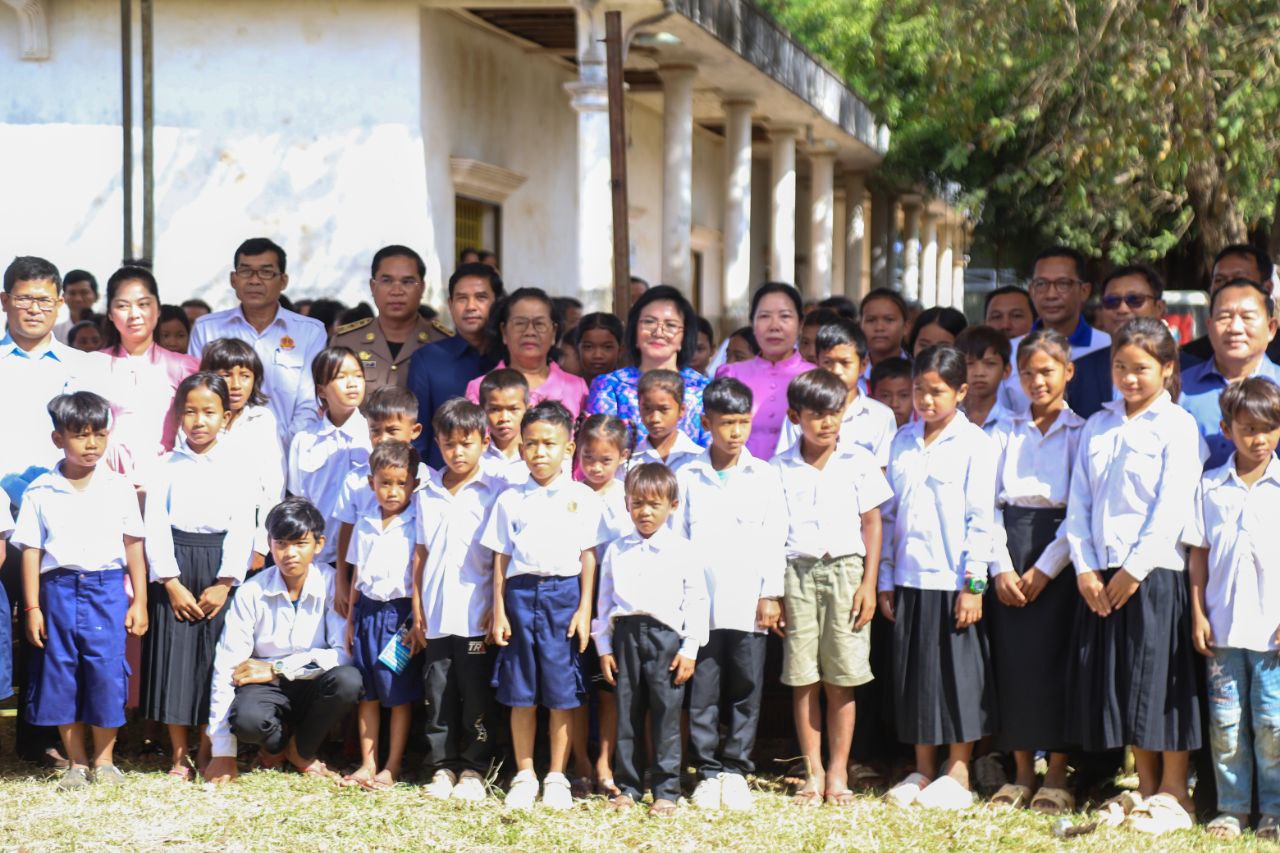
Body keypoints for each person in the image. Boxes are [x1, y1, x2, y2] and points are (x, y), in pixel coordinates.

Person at [1064, 318, 1207, 834]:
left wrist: (1134, 569)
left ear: (1167, 369)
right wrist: (1084, 567)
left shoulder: (1177, 426)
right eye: (1120, 366)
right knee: (1127, 681)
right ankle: (1145, 789)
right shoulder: (1098, 425)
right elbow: (1079, 501)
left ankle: (1175, 791)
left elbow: (1172, 505)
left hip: (1154, 571)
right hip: (1102, 575)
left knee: (1161, 680)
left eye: (1141, 368)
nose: (1128, 377)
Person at [880, 346, 998, 810]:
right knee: (915, 676)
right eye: (919, 390)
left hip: (953, 580)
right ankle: (922, 769)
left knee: (958, 677)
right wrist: (886, 578)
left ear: (961, 392)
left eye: (938, 391)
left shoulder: (976, 444)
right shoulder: (902, 441)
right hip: (909, 577)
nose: (926, 401)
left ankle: (959, 770)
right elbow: (889, 515)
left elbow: (981, 520)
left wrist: (974, 585)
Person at [13, 391, 149, 789]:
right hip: (57, 590)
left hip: (106, 590)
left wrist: (139, 600)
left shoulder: (119, 487)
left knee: (106, 671)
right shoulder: (40, 491)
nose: (92, 444)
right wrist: (33, 608)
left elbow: (134, 546)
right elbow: (31, 552)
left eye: (99, 434)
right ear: (58, 439)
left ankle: (104, 761)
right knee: (61, 672)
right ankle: (76, 762)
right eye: (80, 435)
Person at [773, 369, 891, 808]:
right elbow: (773, 533)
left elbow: (872, 523)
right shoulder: (778, 468)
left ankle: (839, 769)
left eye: (834, 413)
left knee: (842, 677)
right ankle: (813, 771)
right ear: (795, 417)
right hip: (797, 573)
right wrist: (775, 593)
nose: (827, 423)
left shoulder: (858, 460)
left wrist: (869, 584)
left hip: (846, 572)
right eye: (816, 415)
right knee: (803, 678)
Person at [481, 401, 604, 810]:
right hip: (519, 596)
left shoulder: (582, 497)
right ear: (520, 449)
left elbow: (588, 557)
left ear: (569, 448)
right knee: (521, 690)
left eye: (549, 444)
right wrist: (499, 609)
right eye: (531, 444)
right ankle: (524, 773)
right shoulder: (510, 499)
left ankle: (555, 775)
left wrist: (584, 610)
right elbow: (501, 558)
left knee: (561, 691)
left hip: (563, 597)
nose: (539, 452)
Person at [985, 330, 1084, 815]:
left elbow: (1080, 508)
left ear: (1069, 371)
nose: (1037, 381)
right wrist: (1001, 566)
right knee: (1014, 661)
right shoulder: (1002, 430)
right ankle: (1023, 770)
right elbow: (984, 505)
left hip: (1060, 551)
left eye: (1047, 371)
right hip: (1010, 543)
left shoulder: (1081, 432)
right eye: (1027, 373)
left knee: (1058, 660)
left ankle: (1059, 771)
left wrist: (1046, 567)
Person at [678, 377, 786, 812]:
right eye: (726, 423)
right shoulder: (687, 474)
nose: (736, 432)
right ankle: (706, 770)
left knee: (746, 687)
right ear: (707, 423)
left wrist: (771, 593)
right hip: (700, 605)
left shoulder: (765, 475)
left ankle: (736, 769)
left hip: (748, 602)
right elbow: (678, 537)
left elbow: (775, 537)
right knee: (703, 690)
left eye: (743, 422)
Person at [141, 373, 255, 779]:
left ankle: (210, 745)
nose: (199, 421)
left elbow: (244, 525)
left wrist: (225, 583)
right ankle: (178, 754)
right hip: (175, 565)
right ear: (179, 416)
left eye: (209, 412)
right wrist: (170, 582)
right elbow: (155, 524)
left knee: (214, 658)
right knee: (175, 657)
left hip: (219, 567)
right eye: (190, 412)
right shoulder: (165, 467)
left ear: (227, 417)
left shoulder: (239, 465)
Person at [202, 498, 363, 784]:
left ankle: (300, 750)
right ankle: (276, 747)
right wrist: (223, 752)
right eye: (281, 544)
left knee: (348, 681)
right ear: (270, 544)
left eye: (300, 544)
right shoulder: (252, 591)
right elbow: (226, 667)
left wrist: (278, 668)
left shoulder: (330, 583)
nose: (290, 554)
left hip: (313, 682)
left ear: (319, 544)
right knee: (248, 720)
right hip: (267, 687)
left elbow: (344, 655)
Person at [1185, 378, 1280, 842]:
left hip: (1271, 634)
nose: (1259, 439)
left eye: (1268, 428)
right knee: (1226, 725)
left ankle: (1273, 811)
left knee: (1272, 725)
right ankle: (1232, 808)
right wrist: (1198, 614)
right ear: (1226, 430)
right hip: (1222, 630)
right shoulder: (1210, 486)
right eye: (1248, 429)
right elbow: (1198, 555)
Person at [594, 463, 709, 817]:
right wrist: (604, 647)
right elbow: (604, 601)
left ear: (672, 506)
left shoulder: (683, 550)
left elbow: (697, 601)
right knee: (627, 713)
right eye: (637, 504)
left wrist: (690, 648)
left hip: (666, 639)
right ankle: (628, 787)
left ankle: (666, 791)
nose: (645, 512)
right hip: (626, 636)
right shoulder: (617, 550)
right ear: (627, 504)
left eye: (654, 505)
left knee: (666, 715)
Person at [413, 399, 502, 802]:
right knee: (438, 694)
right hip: (435, 614)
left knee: (476, 696)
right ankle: (441, 766)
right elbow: (420, 553)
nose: (458, 452)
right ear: (438, 443)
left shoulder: (493, 491)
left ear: (484, 442)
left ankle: (474, 767)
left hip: (475, 613)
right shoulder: (427, 491)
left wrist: (496, 605)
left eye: (467, 443)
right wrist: (418, 608)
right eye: (449, 444)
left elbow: (499, 556)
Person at [187, 238, 328, 448]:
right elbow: (198, 395)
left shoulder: (310, 332)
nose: (254, 280)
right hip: (219, 451)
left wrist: (281, 450)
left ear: (283, 281)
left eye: (266, 272)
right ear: (233, 279)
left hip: (290, 450)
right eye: (246, 271)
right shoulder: (206, 328)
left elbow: (309, 403)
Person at [343, 440, 424, 791]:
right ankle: (368, 762)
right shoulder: (364, 522)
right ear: (371, 482)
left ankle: (392, 764)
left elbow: (418, 575)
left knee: (397, 691)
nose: (393, 491)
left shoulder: (416, 522)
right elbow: (357, 574)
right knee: (369, 692)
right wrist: (351, 619)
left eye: (401, 483)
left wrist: (417, 620)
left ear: (414, 484)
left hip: (399, 614)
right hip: (367, 613)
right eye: (385, 483)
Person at [82, 266, 199, 487]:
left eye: (143, 304)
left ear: (158, 309)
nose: (134, 314)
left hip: (169, 482)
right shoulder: (92, 366)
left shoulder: (185, 367)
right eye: (122, 306)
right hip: (105, 483)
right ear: (110, 313)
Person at [569, 415, 632, 797]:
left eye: (605, 460)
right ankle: (579, 761)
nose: (594, 467)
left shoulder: (628, 498)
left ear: (623, 456)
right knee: (577, 686)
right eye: (588, 457)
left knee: (609, 687)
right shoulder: (570, 494)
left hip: (615, 607)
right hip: (575, 603)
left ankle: (606, 763)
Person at [0, 257, 93, 496]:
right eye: (24, 299)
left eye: (44, 301)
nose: (34, 309)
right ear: (4, 301)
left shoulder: (84, 367)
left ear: (59, 303)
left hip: (64, 500)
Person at [331, 385, 426, 618]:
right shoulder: (356, 480)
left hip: (409, 593)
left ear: (414, 430)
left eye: (392, 430)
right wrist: (341, 581)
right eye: (375, 430)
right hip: (368, 593)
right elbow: (347, 532)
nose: (383, 439)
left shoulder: (427, 481)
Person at [588, 285, 711, 446]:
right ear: (634, 330)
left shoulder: (703, 389)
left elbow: (714, 451)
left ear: (685, 336)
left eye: (670, 325)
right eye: (649, 322)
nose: (658, 332)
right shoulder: (609, 386)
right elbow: (598, 450)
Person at [407, 263, 502, 468]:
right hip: (444, 480)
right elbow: (418, 437)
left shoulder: (510, 358)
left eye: (481, 297)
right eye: (462, 298)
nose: (471, 306)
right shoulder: (428, 360)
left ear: (497, 302)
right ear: (450, 305)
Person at [1179, 279, 1280, 469]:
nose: (1235, 328)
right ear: (1209, 327)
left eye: (1247, 317)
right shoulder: (1178, 389)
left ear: (1271, 328)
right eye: (1224, 317)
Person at [199, 339, 284, 562]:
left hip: (249, 531)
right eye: (226, 375)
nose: (236, 384)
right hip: (204, 533)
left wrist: (260, 545)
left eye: (245, 375)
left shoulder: (262, 419)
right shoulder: (198, 419)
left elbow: (272, 488)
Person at [286, 347, 370, 567]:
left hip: (362, 560)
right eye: (341, 377)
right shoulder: (304, 440)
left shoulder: (372, 438)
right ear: (321, 390)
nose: (352, 384)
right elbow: (297, 502)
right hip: (316, 558)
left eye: (358, 375)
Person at [1000, 246, 1111, 412]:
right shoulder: (1009, 352)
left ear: (1084, 291)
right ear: (1031, 291)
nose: (1051, 294)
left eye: (1063, 284)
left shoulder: (1107, 346)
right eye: (1041, 284)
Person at [330, 245, 452, 394]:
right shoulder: (346, 342)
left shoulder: (445, 344)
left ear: (421, 288)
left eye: (407, 282)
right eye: (387, 281)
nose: (396, 291)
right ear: (373, 287)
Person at [777, 317, 896, 465]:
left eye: (845, 363)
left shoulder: (881, 415)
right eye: (828, 362)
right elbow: (786, 462)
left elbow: (883, 468)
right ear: (817, 363)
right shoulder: (802, 412)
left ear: (863, 365)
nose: (837, 371)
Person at [716, 282, 813, 460]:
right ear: (752, 324)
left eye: (785, 316)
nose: (774, 326)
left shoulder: (815, 377)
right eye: (764, 316)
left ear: (800, 324)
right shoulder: (731, 374)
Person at [1066, 265, 1173, 418]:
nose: (1122, 309)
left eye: (1135, 300)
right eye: (1112, 301)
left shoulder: (1189, 371)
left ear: (1159, 307)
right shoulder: (1078, 372)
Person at [465, 288, 588, 420]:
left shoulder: (576, 387)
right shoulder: (479, 388)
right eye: (520, 324)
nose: (530, 332)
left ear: (554, 332)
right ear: (504, 332)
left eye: (539, 324)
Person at [1183, 244, 1280, 363]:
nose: (1229, 287)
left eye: (1239, 279)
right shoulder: (1187, 360)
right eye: (1220, 280)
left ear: (1267, 287)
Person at [629, 370, 702, 468]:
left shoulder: (699, 459)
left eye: (664, 409)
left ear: (682, 410)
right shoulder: (630, 463)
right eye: (647, 408)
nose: (655, 418)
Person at [477, 369, 531, 488]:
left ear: (528, 409)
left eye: (513, 409)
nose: (504, 418)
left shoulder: (538, 453)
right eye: (495, 409)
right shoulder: (476, 455)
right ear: (482, 411)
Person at [955, 326, 1013, 432]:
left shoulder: (1014, 426)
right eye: (969, 363)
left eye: (990, 363)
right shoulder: (945, 421)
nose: (979, 373)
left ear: (1006, 370)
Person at [859, 288, 910, 389]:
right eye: (871, 320)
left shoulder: (917, 372)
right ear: (860, 325)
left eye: (889, 320)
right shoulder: (852, 374)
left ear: (905, 327)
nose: (879, 328)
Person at [575, 312, 624, 387]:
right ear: (577, 351)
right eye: (588, 347)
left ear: (620, 351)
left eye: (607, 347)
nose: (598, 355)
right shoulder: (566, 389)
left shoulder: (631, 391)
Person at [52, 270, 99, 344]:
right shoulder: (54, 334)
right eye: (72, 293)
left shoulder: (108, 330)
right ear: (64, 297)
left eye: (84, 292)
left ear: (96, 296)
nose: (78, 299)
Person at [870, 357, 913, 428]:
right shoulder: (863, 432)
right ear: (872, 398)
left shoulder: (925, 432)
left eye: (904, 395)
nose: (894, 404)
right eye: (885, 396)